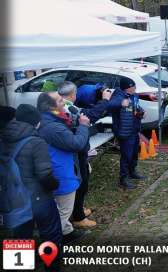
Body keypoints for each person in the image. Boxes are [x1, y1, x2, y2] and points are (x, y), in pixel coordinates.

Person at [1, 104, 63, 269]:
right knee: (51, 235)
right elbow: (45, 175)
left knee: (20, 238)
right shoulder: (36, 142)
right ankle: (52, 267)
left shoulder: (3, 139)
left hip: (14, 198)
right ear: (36, 122)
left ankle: (19, 266)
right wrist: (55, 185)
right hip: (38, 198)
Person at [37, 92, 90, 244]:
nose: (64, 102)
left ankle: (66, 232)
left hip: (60, 167)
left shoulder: (50, 119)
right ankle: (54, 242)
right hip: (61, 172)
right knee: (63, 210)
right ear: (51, 107)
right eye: (60, 100)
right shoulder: (53, 127)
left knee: (60, 207)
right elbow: (76, 144)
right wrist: (83, 126)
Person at [57, 81, 111, 229]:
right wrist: (105, 100)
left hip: (75, 149)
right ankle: (78, 217)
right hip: (76, 151)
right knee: (81, 182)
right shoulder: (67, 107)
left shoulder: (62, 105)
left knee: (83, 178)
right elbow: (89, 116)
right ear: (73, 94)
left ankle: (78, 210)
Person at [107, 77, 146, 190]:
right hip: (124, 131)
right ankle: (123, 179)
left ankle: (132, 171)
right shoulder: (118, 96)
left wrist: (141, 112)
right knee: (126, 156)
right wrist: (120, 103)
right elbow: (109, 106)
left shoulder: (134, 95)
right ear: (127, 88)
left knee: (134, 153)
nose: (135, 88)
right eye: (133, 87)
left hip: (134, 129)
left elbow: (136, 107)